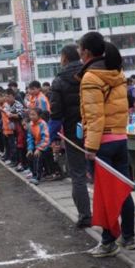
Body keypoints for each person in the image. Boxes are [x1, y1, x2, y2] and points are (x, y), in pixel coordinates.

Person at [78, 31, 135, 257]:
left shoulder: (91, 77)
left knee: (104, 195)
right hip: (121, 138)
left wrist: (91, 148)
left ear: (86, 52)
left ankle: (108, 241)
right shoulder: (117, 72)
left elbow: (95, 117)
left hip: (102, 142)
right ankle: (129, 237)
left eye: (80, 49)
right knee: (122, 190)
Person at [49, 45, 91, 227]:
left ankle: (85, 216)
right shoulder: (91, 73)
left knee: (78, 175)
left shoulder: (59, 80)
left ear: (64, 58)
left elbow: (56, 113)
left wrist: (54, 137)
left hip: (74, 132)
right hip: (97, 129)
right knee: (103, 174)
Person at [25, 108, 50, 185]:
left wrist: (39, 149)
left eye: (33, 115)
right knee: (29, 155)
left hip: (44, 146)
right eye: (30, 114)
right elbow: (30, 138)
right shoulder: (30, 125)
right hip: (36, 145)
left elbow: (45, 138)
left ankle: (37, 177)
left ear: (39, 116)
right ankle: (33, 173)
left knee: (37, 157)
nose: (31, 116)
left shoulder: (43, 124)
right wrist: (30, 149)